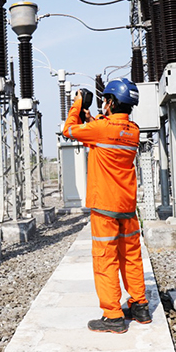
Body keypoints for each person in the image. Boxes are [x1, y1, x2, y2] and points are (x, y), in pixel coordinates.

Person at [62, 78, 151, 334]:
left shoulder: (101, 129)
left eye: (105, 100)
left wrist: (77, 104)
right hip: (127, 207)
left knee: (106, 259)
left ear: (111, 102)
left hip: (105, 209)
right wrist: (92, 119)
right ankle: (140, 306)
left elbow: (69, 130)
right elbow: (105, 136)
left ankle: (113, 317)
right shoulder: (133, 131)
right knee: (131, 257)